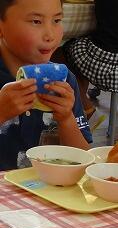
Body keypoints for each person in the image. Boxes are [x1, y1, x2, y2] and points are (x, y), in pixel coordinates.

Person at [0, 0, 91, 171]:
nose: (50, 35)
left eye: (56, 20)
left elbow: (84, 159)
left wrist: (66, 119)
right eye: (36, 21)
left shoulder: (63, 80)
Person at [61, 0, 118, 119]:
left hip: (108, 67)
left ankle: (84, 108)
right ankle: (80, 109)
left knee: (64, 53)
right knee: (78, 55)